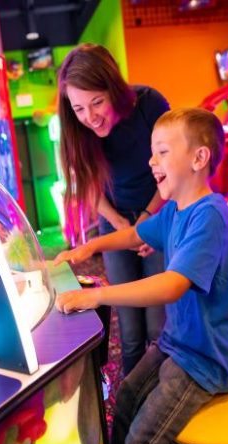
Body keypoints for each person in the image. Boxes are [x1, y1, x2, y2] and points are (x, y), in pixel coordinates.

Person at [54, 108, 228, 444]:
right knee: (125, 397)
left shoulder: (209, 215)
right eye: (152, 152)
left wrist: (96, 296)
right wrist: (87, 248)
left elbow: (171, 285)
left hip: (204, 361)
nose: (151, 161)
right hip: (176, 343)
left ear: (199, 158)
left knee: (142, 440)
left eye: (163, 152)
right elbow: (134, 236)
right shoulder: (174, 210)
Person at [58, 43, 169, 374]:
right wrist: (122, 225)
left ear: (114, 89)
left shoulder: (149, 104)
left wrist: (148, 222)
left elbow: (172, 169)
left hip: (160, 212)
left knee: (157, 323)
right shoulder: (78, 128)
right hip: (115, 218)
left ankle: (159, 392)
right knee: (129, 328)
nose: (90, 117)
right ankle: (131, 395)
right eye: (78, 108)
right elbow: (89, 187)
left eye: (97, 102)